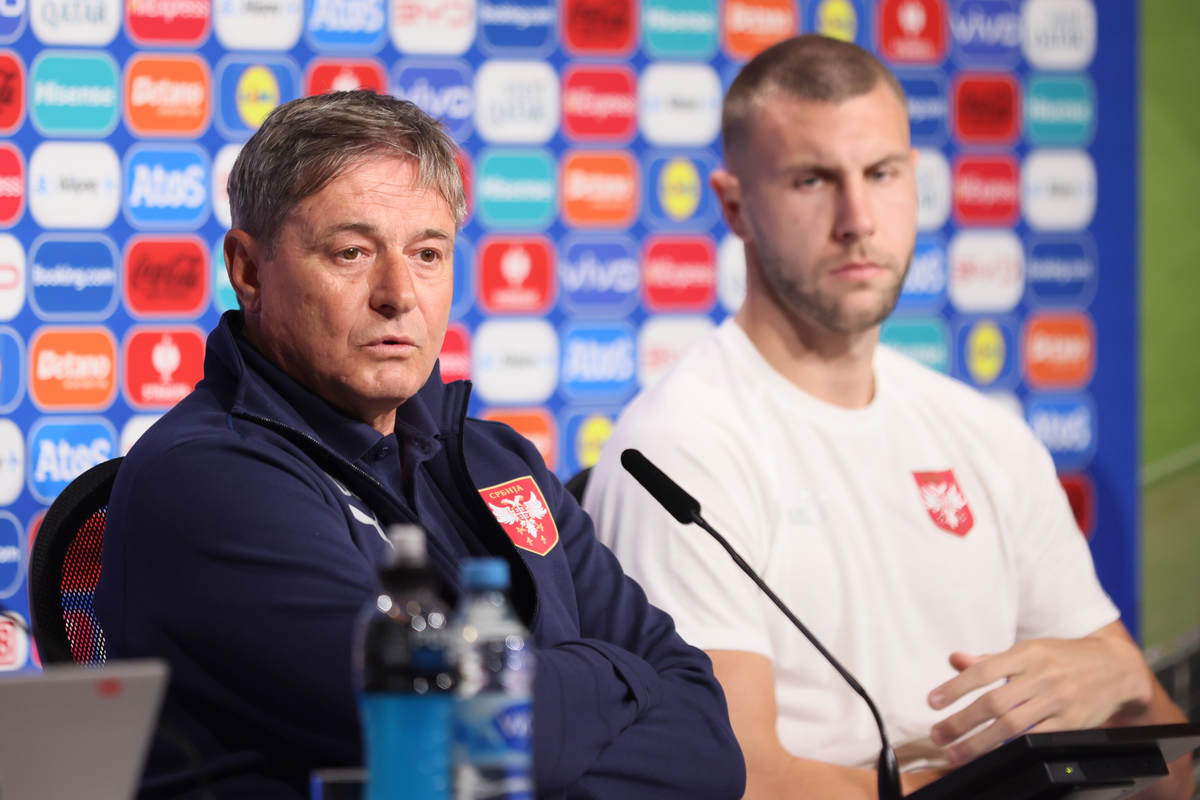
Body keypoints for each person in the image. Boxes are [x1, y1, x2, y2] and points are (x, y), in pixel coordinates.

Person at [583, 35, 1191, 800]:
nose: (858, 218)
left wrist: (1128, 681)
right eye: (813, 179)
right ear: (736, 206)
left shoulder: (985, 435)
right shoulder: (680, 451)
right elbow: (736, 782)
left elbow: (1166, 775)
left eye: (882, 173)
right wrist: (984, 784)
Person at [94, 91, 745, 800]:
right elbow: (449, 729)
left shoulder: (497, 462)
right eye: (351, 252)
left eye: (427, 253)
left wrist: (540, 726)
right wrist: (615, 674)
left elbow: (708, 740)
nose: (398, 293)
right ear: (248, 270)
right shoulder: (204, 480)